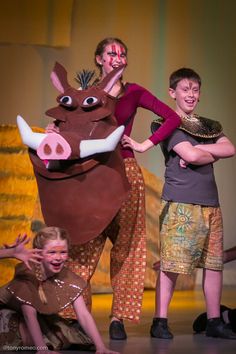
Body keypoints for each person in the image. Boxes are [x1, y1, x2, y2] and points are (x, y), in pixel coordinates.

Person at [52, 37, 181, 340]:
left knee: (127, 249)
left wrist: (144, 144)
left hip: (125, 173)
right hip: (92, 177)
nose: (119, 57)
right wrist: (53, 130)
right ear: (99, 59)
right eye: (112, 53)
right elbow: (65, 124)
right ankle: (74, 317)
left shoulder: (133, 92)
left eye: (123, 53)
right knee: (84, 246)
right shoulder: (86, 94)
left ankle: (117, 318)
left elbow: (172, 117)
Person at [123, 67, 236, 340]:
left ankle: (213, 321)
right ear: (173, 93)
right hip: (180, 202)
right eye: (185, 89)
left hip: (211, 203)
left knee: (213, 264)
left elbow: (229, 149)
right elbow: (190, 155)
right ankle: (160, 320)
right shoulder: (166, 123)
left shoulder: (209, 125)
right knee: (171, 264)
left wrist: (203, 150)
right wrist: (206, 153)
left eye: (195, 90)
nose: (191, 95)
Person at [0, 226, 119, 354]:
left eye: (63, 252)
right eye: (51, 252)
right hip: (5, 310)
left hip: (32, 316)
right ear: (39, 253)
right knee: (22, 334)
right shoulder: (28, 272)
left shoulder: (67, 276)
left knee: (66, 334)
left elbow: (84, 315)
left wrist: (101, 347)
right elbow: (29, 314)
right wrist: (42, 350)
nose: (58, 257)